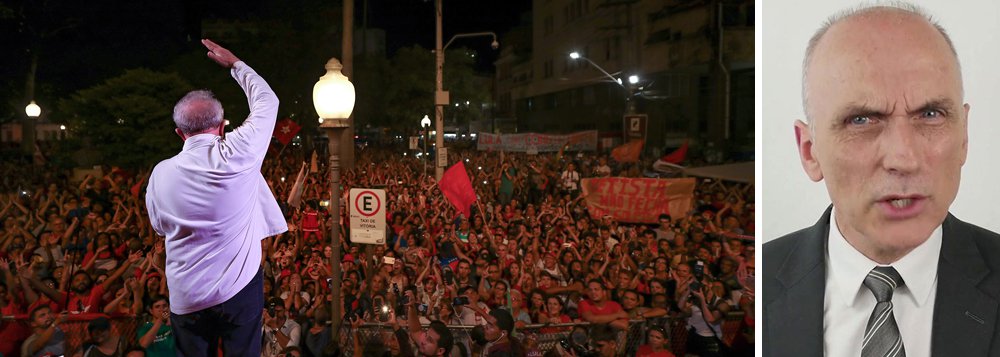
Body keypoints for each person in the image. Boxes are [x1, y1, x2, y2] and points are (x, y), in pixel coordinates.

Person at [763, 4, 1000, 356]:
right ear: (810, 151)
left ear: (963, 136)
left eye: (931, 114)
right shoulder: (763, 282)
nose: (903, 157)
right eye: (862, 120)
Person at [145, 39, 286, 356]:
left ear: (180, 133)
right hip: (239, 288)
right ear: (222, 127)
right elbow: (267, 101)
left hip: (187, 295)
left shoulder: (160, 174)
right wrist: (237, 65)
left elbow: (160, 226)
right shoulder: (237, 152)